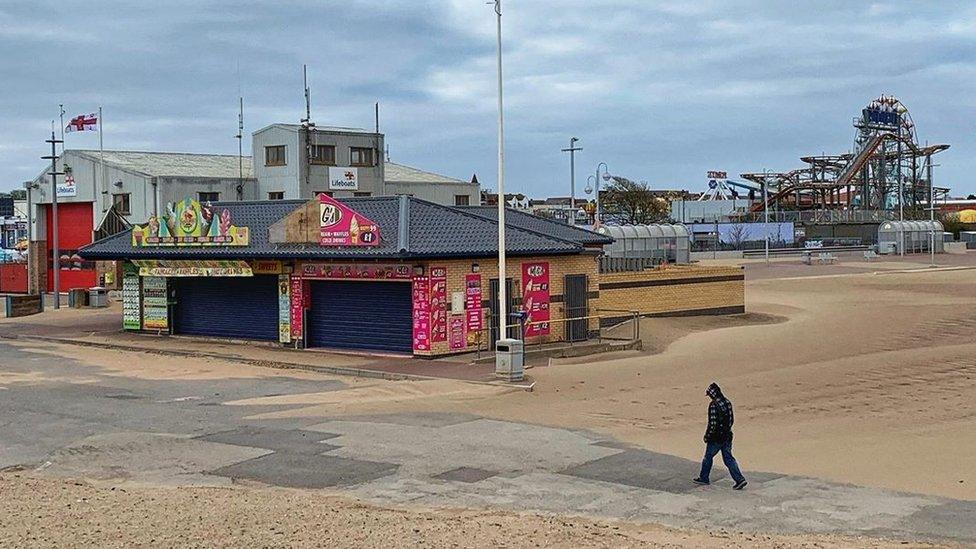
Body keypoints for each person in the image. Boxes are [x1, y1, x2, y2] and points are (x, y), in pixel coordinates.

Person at [693, 382, 747, 490]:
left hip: (716, 438)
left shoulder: (713, 405)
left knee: (708, 457)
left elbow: (712, 424)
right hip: (727, 436)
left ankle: (704, 478)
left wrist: (707, 436)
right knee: (729, 459)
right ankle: (740, 479)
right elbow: (731, 420)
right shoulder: (727, 402)